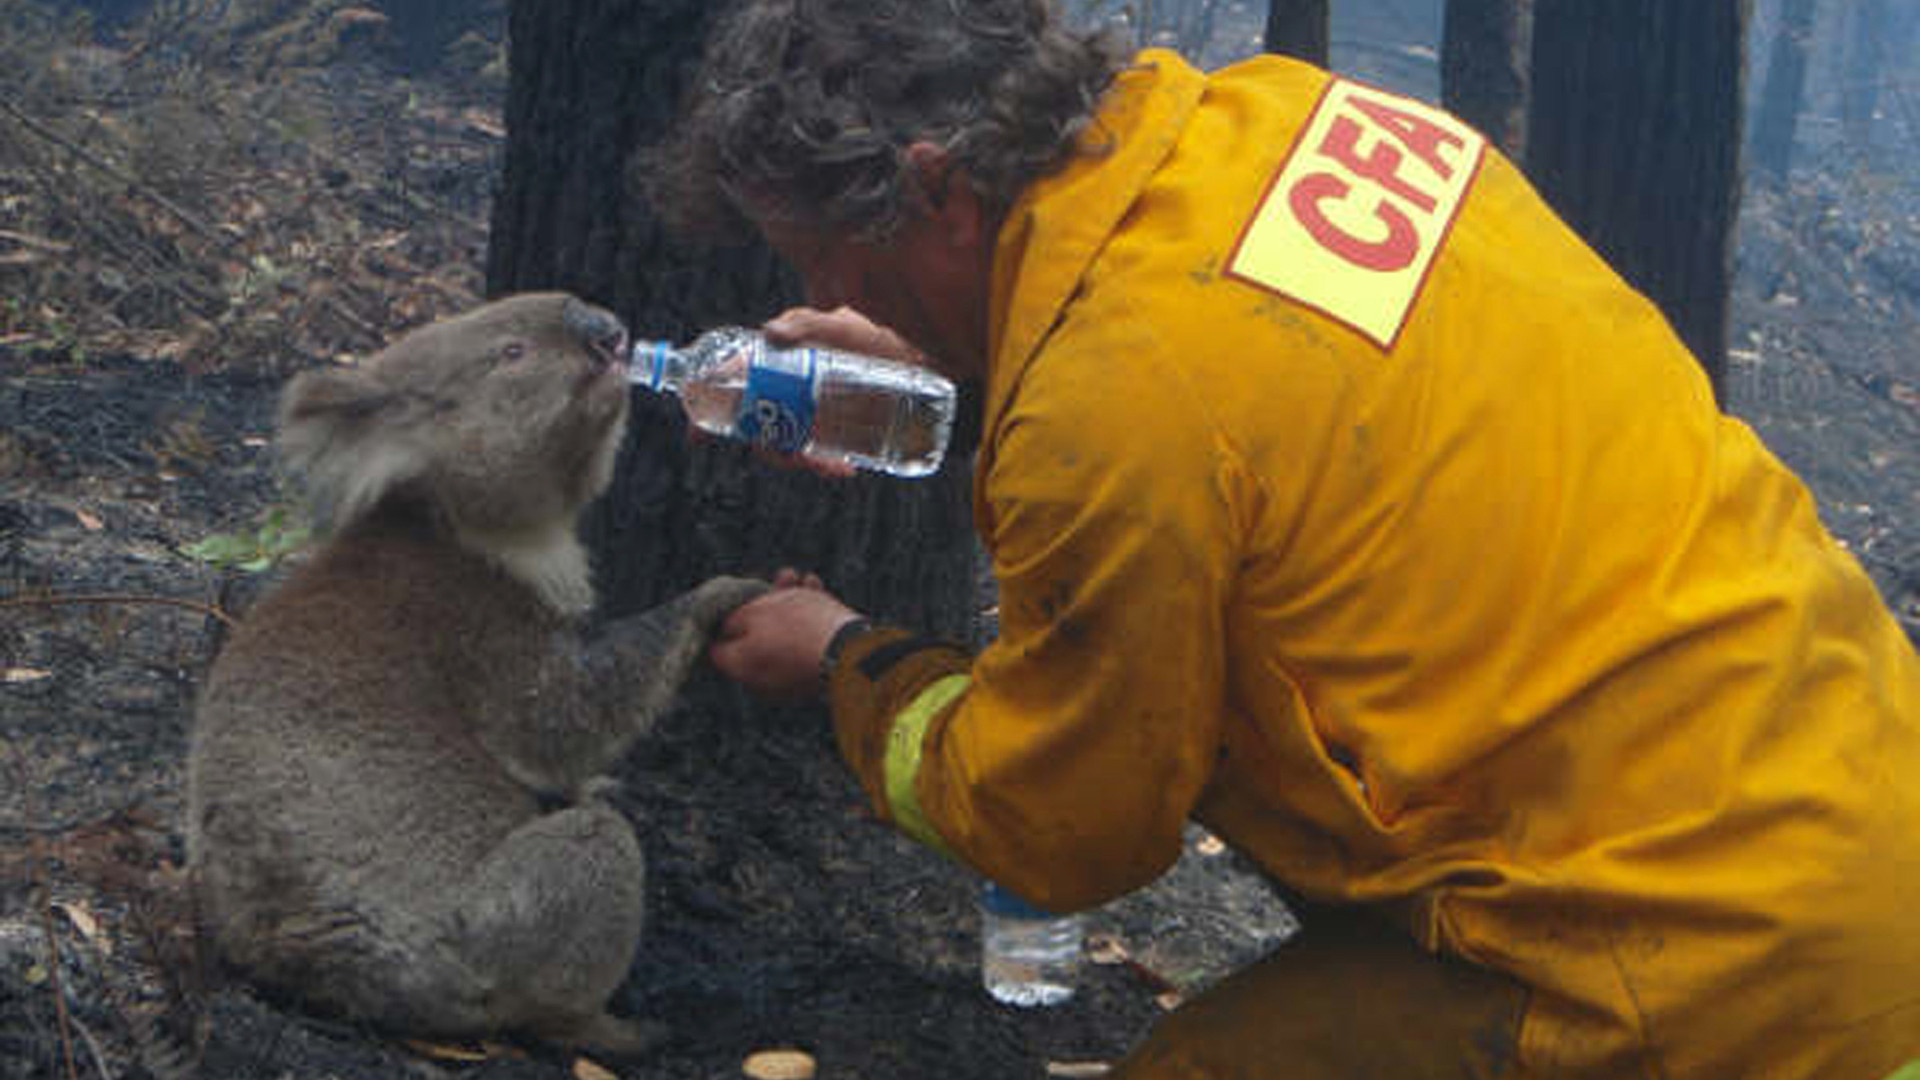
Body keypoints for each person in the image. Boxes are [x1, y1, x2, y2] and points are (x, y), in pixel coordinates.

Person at [652, 1, 1920, 1076]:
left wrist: (846, 662)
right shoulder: (1286, 122)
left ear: (935, 189)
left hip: (1709, 975)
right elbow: (1245, 409)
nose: (829, 302)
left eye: (825, 262)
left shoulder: (1117, 410)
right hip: (1856, 802)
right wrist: (946, 352)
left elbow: (1062, 825)